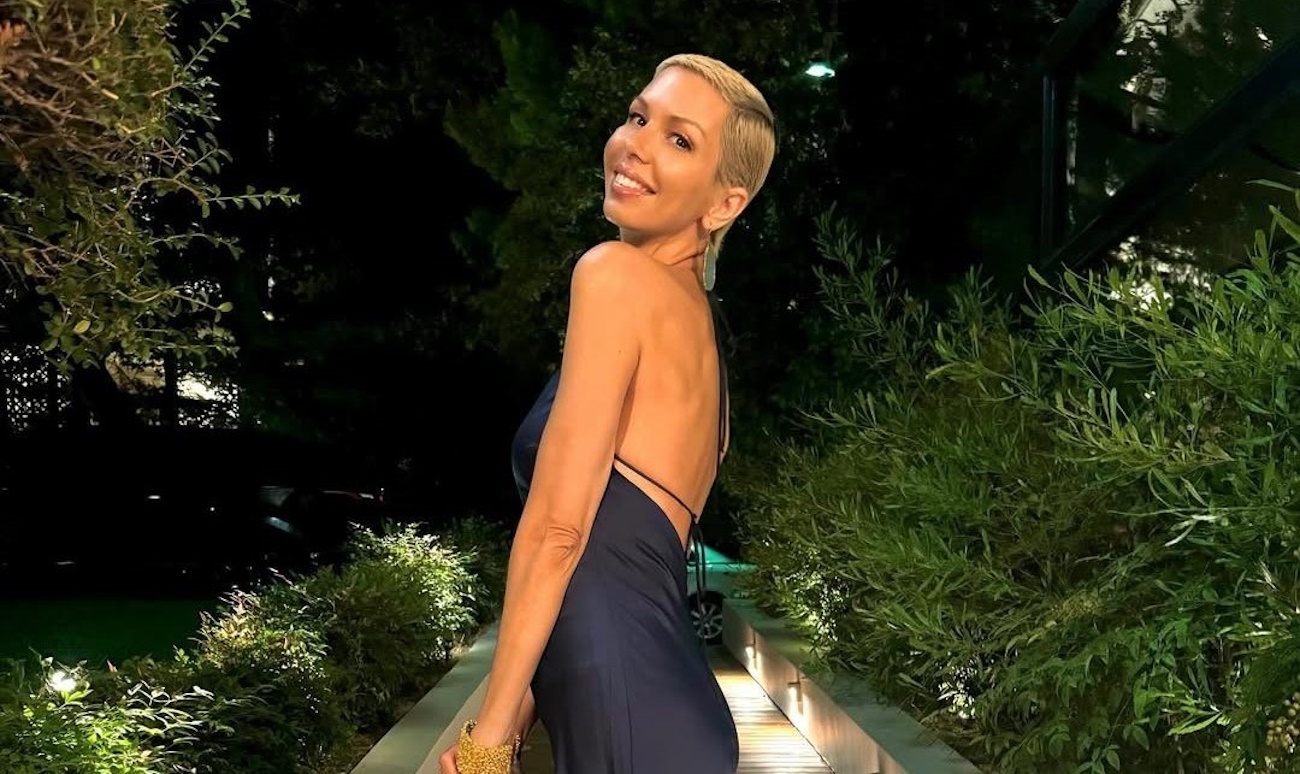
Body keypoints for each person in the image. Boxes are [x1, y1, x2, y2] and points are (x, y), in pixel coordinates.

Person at [440, 53, 776, 774]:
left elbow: (559, 534)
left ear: (725, 204)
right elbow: (605, 572)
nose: (636, 145)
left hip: (632, 724)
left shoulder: (614, 276)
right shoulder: (703, 340)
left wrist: (487, 746)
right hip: (666, 715)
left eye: (679, 139)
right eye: (637, 117)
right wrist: (514, 721)